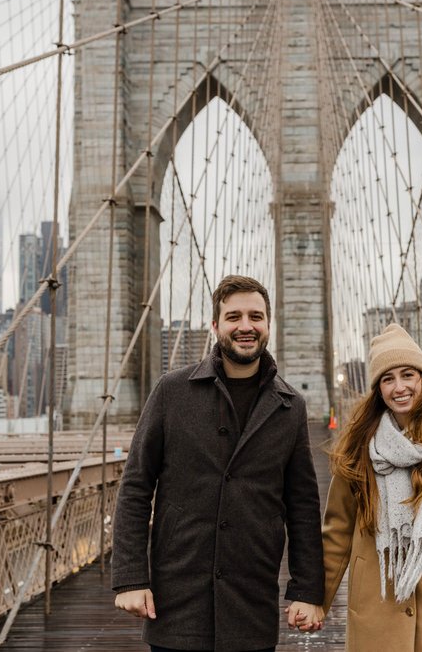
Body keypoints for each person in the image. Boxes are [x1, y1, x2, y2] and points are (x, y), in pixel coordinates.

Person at [112, 275, 325, 652]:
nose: (246, 326)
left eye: (256, 317)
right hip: (176, 603)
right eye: (234, 317)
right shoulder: (171, 392)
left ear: (268, 325)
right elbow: (134, 488)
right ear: (215, 326)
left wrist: (307, 590)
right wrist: (130, 579)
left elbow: (304, 507)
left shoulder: (291, 407)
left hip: (252, 602)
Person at [293, 323, 422, 650]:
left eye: (408, 375)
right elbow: (337, 534)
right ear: (378, 390)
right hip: (376, 613)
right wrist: (317, 600)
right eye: (388, 379)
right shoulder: (358, 452)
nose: (399, 387)